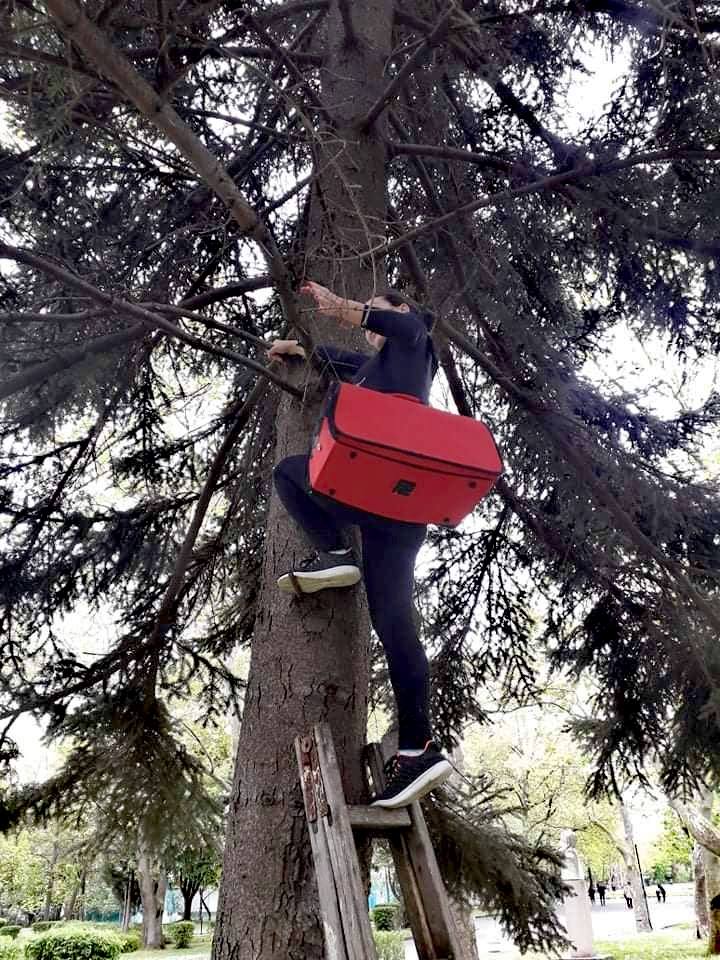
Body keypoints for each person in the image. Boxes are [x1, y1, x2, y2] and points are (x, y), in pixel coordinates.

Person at [268, 280, 452, 809]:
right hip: (387, 507)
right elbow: (330, 356)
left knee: (291, 472)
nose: (370, 321)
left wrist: (342, 307)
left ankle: (335, 553)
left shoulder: (414, 344)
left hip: (395, 497)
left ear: (399, 309)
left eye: (377, 309)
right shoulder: (371, 368)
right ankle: (419, 749)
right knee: (393, 626)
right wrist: (293, 347)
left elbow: (401, 325)